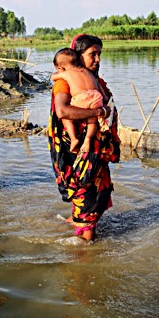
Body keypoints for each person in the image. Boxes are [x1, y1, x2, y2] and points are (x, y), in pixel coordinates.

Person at [48, 34, 120, 241]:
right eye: (92, 54)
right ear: (77, 57)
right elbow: (62, 111)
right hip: (79, 154)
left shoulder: (95, 81)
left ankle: (78, 222)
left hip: (96, 154)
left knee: (96, 195)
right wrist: (99, 113)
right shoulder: (63, 83)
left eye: (99, 54)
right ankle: (85, 254)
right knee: (86, 197)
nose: (97, 59)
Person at [50, 47, 108, 154]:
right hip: (96, 97)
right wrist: (103, 101)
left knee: (67, 118)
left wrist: (55, 74)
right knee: (93, 119)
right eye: (92, 54)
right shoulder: (88, 72)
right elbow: (103, 95)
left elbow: (62, 112)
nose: (98, 59)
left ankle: (73, 138)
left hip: (81, 97)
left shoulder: (66, 73)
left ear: (60, 68)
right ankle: (88, 139)